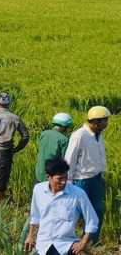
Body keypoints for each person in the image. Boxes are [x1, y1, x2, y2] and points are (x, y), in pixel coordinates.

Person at [24, 157, 98, 255]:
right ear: (48, 177)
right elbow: (35, 216)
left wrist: (83, 242)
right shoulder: (38, 190)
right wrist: (30, 236)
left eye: (65, 177)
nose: (63, 181)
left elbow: (92, 220)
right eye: (59, 178)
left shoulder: (78, 194)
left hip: (65, 246)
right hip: (43, 245)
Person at [64, 105, 110, 245]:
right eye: (105, 121)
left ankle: (91, 241)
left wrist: (101, 175)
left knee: (96, 211)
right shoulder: (79, 136)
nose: (107, 123)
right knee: (73, 212)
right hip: (81, 180)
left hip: (95, 178)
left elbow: (99, 156)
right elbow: (69, 159)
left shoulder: (98, 135)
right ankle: (66, 240)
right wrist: (68, 183)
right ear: (96, 121)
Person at [34, 113, 72, 183]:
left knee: (37, 191)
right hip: (53, 173)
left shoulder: (44, 134)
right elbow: (64, 158)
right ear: (65, 126)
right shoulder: (64, 139)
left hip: (39, 171)